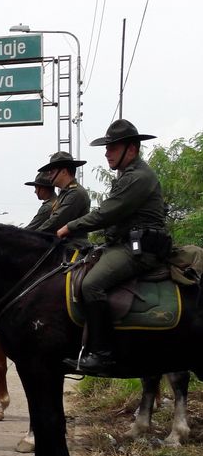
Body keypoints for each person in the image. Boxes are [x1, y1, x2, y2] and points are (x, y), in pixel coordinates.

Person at [57, 119, 171, 374]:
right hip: (126, 244)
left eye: (112, 148)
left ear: (131, 149)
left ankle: (102, 354)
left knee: (91, 284)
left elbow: (106, 213)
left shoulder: (138, 177)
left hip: (140, 250)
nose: (106, 153)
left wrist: (71, 227)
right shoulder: (128, 175)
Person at [35, 151, 91, 248]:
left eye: (52, 172)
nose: (49, 176)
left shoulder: (75, 193)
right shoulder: (66, 193)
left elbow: (56, 221)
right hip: (63, 245)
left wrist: (31, 236)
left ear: (64, 171)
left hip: (74, 247)